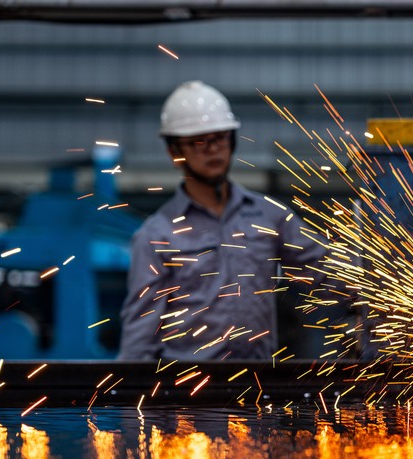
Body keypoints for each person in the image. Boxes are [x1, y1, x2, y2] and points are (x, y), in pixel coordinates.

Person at [118, 81, 324, 360]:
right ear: (174, 151)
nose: (213, 149)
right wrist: (132, 395)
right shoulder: (157, 234)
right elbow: (140, 336)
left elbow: (327, 268)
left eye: (220, 138)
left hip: (257, 386)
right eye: (198, 142)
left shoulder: (268, 215)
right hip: (187, 393)